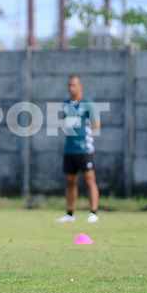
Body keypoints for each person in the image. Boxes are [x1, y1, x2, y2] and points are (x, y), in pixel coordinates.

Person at [56, 74, 100, 223]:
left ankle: (93, 212)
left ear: (80, 85)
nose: (71, 88)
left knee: (89, 179)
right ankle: (70, 214)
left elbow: (96, 124)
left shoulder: (88, 103)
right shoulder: (66, 104)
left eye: (73, 85)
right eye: (69, 85)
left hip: (84, 148)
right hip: (69, 148)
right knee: (70, 181)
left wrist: (85, 128)